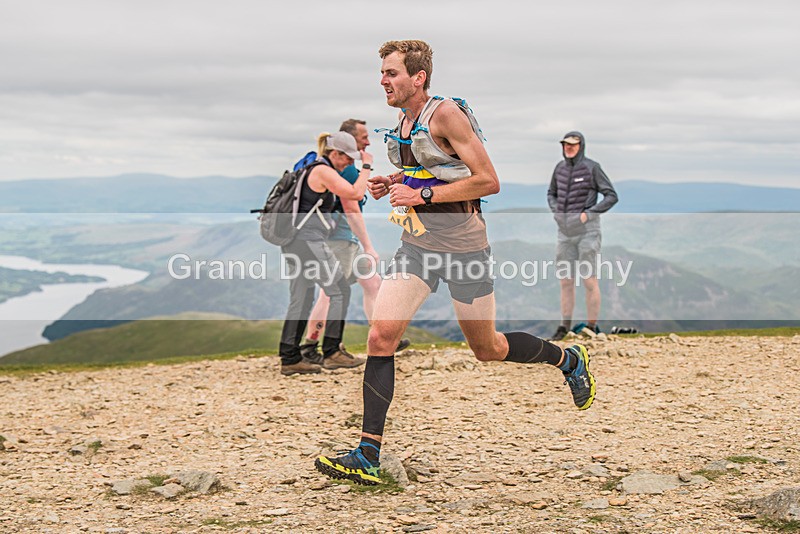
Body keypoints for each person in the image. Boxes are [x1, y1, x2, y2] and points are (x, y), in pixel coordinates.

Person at [315, 40, 596, 485]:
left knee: (488, 349)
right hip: (418, 246)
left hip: (465, 250)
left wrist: (422, 194)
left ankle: (568, 359)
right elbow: (436, 170)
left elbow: (488, 181)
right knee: (382, 334)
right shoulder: (404, 119)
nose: (383, 80)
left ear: (418, 77)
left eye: (391, 73)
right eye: (382, 73)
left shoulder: (445, 114)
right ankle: (369, 452)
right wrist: (395, 181)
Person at [299, 119, 410, 364]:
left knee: (372, 283)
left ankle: (383, 336)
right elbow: (352, 207)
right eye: (363, 137)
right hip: (338, 240)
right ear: (350, 139)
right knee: (330, 294)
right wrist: (369, 246)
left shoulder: (345, 167)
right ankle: (311, 346)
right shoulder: (347, 169)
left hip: (343, 239)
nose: (368, 141)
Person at [278, 131, 373, 376]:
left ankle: (290, 358)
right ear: (335, 154)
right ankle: (332, 352)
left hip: (294, 241)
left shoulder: (313, 168)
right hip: (309, 240)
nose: (350, 163)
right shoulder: (323, 170)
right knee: (340, 289)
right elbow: (355, 193)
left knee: (302, 296)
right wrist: (367, 166)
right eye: (348, 159)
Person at [547, 132, 618, 341]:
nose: (568, 148)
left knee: (589, 280)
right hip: (564, 232)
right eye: (565, 144)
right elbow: (551, 193)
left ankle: (591, 327)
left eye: (573, 145)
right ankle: (564, 327)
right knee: (565, 282)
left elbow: (611, 195)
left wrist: (588, 214)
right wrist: (556, 212)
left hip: (588, 231)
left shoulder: (592, 167)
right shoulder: (559, 168)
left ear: (581, 146)